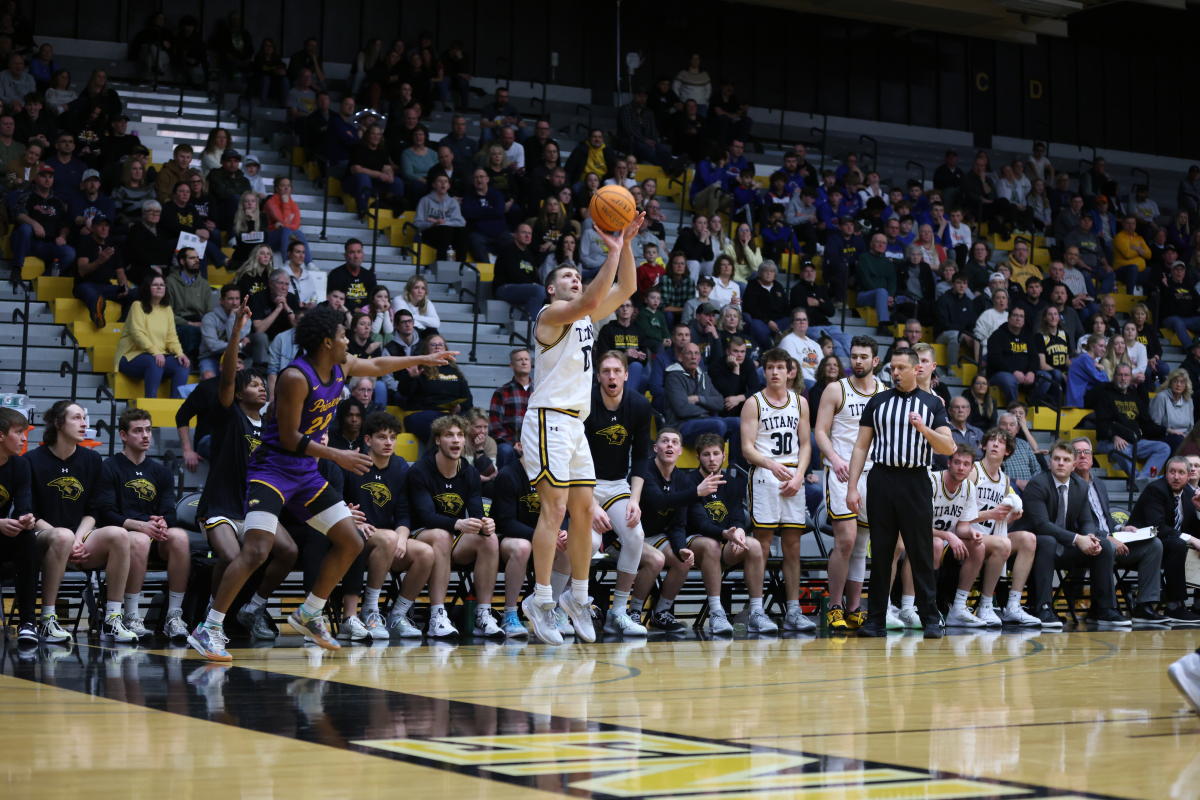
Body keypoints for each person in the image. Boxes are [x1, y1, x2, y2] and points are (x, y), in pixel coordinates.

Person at [187, 306, 458, 661]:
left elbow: (376, 366)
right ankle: (210, 627)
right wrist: (337, 456)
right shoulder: (294, 377)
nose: (349, 341)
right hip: (272, 472)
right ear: (328, 341)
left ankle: (309, 612)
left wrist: (423, 357)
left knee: (350, 540)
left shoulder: (341, 365)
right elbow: (287, 437)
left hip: (305, 476)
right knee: (256, 549)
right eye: (345, 336)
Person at [518, 213, 641, 645]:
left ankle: (579, 595)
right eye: (568, 275)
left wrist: (625, 244)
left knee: (585, 514)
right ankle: (541, 598)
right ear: (553, 288)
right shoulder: (551, 315)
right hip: (548, 418)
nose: (575, 277)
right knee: (553, 512)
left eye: (578, 274)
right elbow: (590, 300)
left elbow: (627, 289)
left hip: (575, 424)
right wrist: (609, 250)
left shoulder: (586, 319)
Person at [848, 350, 955, 638]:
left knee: (920, 552)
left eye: (901, 367)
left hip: (915, 481)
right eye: (892, 367)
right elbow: (860, 446)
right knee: (881, 552)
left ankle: (930, 618)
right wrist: (851, 487)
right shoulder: (878, 401)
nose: (895, 372)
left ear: (916, 368)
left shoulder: (932, 404)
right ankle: (875, 620)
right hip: (882, 479)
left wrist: (923, 429)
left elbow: (949, 448)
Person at [26, 401, 135, 642]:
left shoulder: (92, 460)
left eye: (84, 418)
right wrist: (64, 539)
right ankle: (46, 620)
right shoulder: (32, 460)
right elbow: (30, 514)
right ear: (57, 423)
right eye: (76, 418)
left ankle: (112, 619)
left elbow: (94, 510)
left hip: (78, 540)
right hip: (42, 538)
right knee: (62, 536)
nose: (84, 423)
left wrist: (78, 539)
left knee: (119, 534)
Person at [404, 414, 502, 638]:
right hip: (420, 536)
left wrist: (485, 524)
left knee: (490, 539)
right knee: (440, 536)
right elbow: (426, 516)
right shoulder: (421, 470)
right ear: (438, 440)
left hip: (454, 538)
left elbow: (476, 512)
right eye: (449, 435)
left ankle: (483, 615)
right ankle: (437, 616)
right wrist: (458, 523)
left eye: (460, 435)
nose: (456, 440)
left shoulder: (468, 472)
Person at [97, 409, 191, 639]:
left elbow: (171, 511)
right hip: (122, 533)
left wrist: (162, 522)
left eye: (148, 430)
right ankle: (131, 615)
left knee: (180, 537)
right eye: (138, 431)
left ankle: (174, 616)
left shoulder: (161, 471)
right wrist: (139, 526)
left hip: (154, 534)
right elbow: (105, 513)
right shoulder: (109, 467)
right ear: (123, 435)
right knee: (139, 540)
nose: (146, 435)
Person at [740, 347, 815, 632]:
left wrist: (799, 475)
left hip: (793, 475)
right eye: (770, 367)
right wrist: (772, 466)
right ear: (764, 370)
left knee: (793, 547)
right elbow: (747, 449)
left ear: (790, 371)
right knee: (761, 546)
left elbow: (806, 444)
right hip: (765, 476)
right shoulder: (753, 403)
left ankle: (793, 611)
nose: (774, 372)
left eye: (780, 368)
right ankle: (757, 610)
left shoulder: (800, 403)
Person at [583, 351, 654, 636]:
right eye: (605, 371)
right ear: (598, 375)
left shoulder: (638, 405)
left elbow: (640, 458)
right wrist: (589, 503)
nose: (611, 376)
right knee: (588, 542)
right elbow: (573, 456)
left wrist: (635, 500)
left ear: (626, 374)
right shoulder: (585, 402)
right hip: (582, 482)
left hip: (616, 484)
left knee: (635, 535)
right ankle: (564, 609)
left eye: (616, 371)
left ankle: (618, 612)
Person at [1023, 440, 1127, 628]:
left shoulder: (1080, 485)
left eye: (1065, 460)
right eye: (1056, 459)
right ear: (1050, 462)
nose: (1061, 463)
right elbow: (1041, 525)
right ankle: (1043, 607)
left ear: (1073, 465)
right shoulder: (1037, 484)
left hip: (1065, 545)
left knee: (1103, 546)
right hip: (1035, 547)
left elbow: (1087, 520)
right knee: (1047, 540)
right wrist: (1078, 539)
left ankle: (1103, 609)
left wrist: (1090, 538)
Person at [814, 336, 880, 630]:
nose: (858, 361)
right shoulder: (835, 388)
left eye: (864, 356)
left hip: (873, 474)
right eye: (854, 356)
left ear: (875, 361)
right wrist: (835, 459)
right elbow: (820, 431)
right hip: (841, 472)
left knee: (862, 544)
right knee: (847, 540)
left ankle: (854, 608)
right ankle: (834, 606)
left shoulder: (885, 393)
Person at [1071, 437, 1169, 624]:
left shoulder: (1098, 483)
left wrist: (1121, 528)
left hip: (1111, 539)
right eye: (1077, 452)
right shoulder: (1069, 485)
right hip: (1087, 545)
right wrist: (1108, 537)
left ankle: (1144, 606)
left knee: (1154, 544)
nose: (1083, 456)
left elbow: (1104, 518)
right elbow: (1077, 525)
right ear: (1071, 458)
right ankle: (1103, 609)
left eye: (1087, 452)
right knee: (1107, 546)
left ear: (1092, 458)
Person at [965, 428, 1042, 626]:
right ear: (984, 445)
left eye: (1001, 442)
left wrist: (1011, 517)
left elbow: (996, 523)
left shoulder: (1005, 480)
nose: (996, 444)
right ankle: (986, 605)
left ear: (1007, 451)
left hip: (988, 536)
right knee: (1002, 544)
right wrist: (989, 514)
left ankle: (1014, 606)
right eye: (991, 440)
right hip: (964, 534)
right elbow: (957, 515)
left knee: (1028, 539)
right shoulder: (973, 471)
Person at [1129, 456, 1200, 623]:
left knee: (1183, 543)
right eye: (1172, 472)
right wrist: (1191, 538)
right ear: (1165, 474)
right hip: (1143, 543)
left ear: (1188, 475)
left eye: (1181, 472)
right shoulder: (1156, 490)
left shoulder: (1189, 494)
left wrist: (1199, 510)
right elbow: (1157, 527)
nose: (1176, 477)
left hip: (1169, 544)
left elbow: (1194, 528)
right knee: (1178, 544)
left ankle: (1198, 603)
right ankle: (1174, 606)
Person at [0, 408, 40, 645]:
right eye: (19, 433)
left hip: (4, 538)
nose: (25, 439)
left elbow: (24, 503)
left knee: (27, 537)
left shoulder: (20, 465)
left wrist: (27, 519)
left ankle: (28, 623)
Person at [115, 275, 190, 398]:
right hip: (130, 357)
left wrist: (180, 353)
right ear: (147, 288)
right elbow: (137, 333)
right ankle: (151, 402)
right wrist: (155, 352)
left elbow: (171, 337)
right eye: (155, 285)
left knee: (182, 364)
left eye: (162, 285)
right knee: (154, 362)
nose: (159, 287)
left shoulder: (167, 310)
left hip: (157, 357)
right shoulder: (137, 306)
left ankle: (176, 405)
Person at [1094, 364, 1172, 480]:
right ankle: (1137, 478)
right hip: (1110, 442)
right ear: (1114, 376)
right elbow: (1102, 423)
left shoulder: (1134, 395)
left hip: (1134, 442)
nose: (1123, 378)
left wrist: (1166, 430)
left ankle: (1142, 478)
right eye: (1120, 375)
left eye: (1126, 375)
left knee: (1163, 448)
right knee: (1122, 449)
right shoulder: (1105, 395)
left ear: (1131, 378)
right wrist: (1113, 436)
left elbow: (1146, 422)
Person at [488, 348, 531, 468]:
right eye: (519, 360)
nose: (524, 362)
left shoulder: (540, 391)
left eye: (526, 359)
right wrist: (514, 443)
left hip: (536, 442)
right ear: (511, 365)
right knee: (505, 451)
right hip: (509, 443)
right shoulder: (502, 392)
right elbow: (495, 425)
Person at [986, 306, 1038, 404]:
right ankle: (1014, 409)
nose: (1018, 318)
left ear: (1024, 320)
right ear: (1009, 318)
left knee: (1045, 378)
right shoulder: (997, 335)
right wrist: (1013, 372)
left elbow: (1034, 357)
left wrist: (1031, 372)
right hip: (1000, 374)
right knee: (1009, 381)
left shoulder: (1028, 336)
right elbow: (995, 360)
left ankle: (1031, 405)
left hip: (1025, 375)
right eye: (1015, 315)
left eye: (1021, 316)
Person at [1149, 369, 1194, 453]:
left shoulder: (1189, 400)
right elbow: (1154, 425)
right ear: (1170, 383)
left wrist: (1187, 437)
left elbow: (1191, 426)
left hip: (1184, 437)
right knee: (1180, 442)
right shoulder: (1161, 397)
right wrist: (1171, 431)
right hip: (1166, 437)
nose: (1178, 385)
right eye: (1175, 381)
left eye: (1182, 382)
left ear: (1186, 385)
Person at [326, 239, 377, 310]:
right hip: (342, 315)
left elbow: (373, 301)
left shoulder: (369, 276)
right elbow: (331, 302)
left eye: (359, 252)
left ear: (363, 255)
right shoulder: (335, 275)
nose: (356, 256)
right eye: (352, 252)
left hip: (365, 317)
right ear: (345, 255)